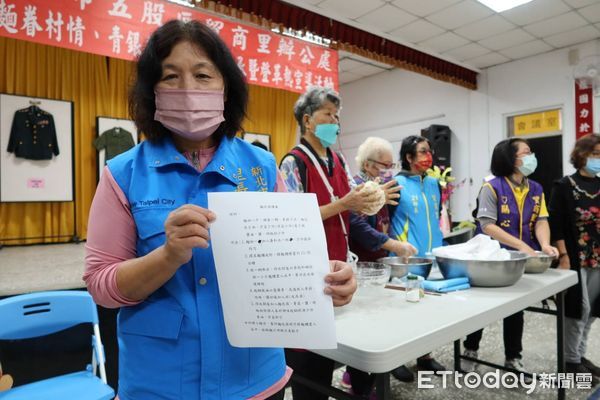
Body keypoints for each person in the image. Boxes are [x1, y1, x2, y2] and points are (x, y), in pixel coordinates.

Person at [83, 20, 356, 400]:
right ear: (152, 91)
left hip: (257, 380)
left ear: (226, 87)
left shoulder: (261, 167)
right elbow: (101, 286)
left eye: (203, 75)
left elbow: (289, 258)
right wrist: (167, 256)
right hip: (159, 385)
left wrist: (329, 280)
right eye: (170, 76)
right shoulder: (123, 174)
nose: (188, 89)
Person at [279, 87, 397, 400]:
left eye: (337, 116)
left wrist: (373, 199)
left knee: (347, 349)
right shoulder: (294, 163)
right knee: (311, 365)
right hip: (309, 272)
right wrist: (345, 202)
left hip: (342, 266)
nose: (336, 122)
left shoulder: (338, 159)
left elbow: (351, 207)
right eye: (328, 115)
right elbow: (293, 219)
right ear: (307, 120)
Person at [463, 137, 558, 373]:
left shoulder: (536, 188)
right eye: (526, 152)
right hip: (491, 261)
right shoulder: (492, 186)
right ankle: (470, 349)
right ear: (510, 158)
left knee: (516, 309)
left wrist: (544, 244)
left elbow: (541, 220)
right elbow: (487, 225)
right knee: (483, 310)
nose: (531, 156)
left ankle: (513, 358)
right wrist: (522, 246)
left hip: (519, 261)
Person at [342, 137, 418, 396]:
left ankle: (362, 376)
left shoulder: (384, 186)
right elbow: (358, 226)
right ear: (367, 164)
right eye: (384, 165)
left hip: (378, 261)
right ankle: (358, 380)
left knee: (377, 322)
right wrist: (392, 245)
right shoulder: (358, 187)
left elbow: (389, 218)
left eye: (390, 164)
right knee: (362, 325)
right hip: (362, 263)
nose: (389, 169)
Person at [388, 135, 447, 380]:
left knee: (427, 310)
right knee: (405, 310)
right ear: (409, 157)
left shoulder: (434, 184)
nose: (428, 156)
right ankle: (397, 359)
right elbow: (385, 222)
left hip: (433, 257)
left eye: (429, 151)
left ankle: (425, 356)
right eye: (422, 152)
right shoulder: (396, 184)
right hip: (407, 260)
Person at [549, 133, 600, 386]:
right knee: (578, 310)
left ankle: (579, 355)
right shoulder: (564, 186)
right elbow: (555, 225)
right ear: (581, 155)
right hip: (575, 256)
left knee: (592, 311)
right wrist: (564, 255)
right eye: (596, 154)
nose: (599, 159)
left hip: (597, 256)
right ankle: (570, 362)